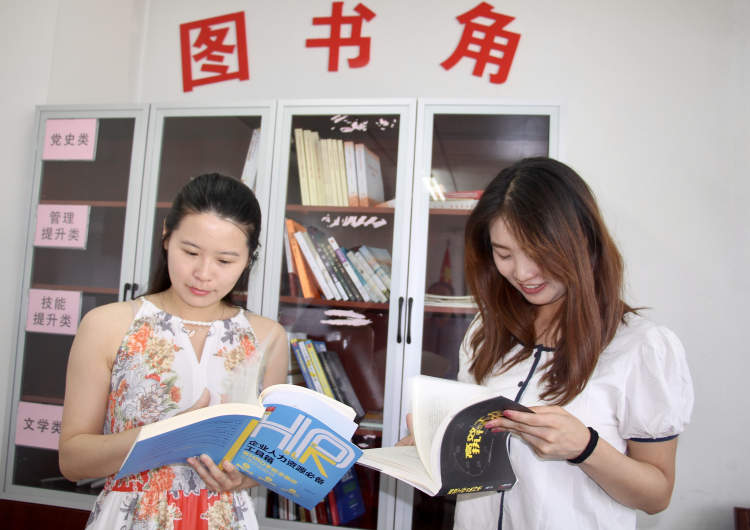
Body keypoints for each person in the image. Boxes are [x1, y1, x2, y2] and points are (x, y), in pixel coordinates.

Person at [398, 157, 694, 529]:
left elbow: (656, 496)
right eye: (504, 254)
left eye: (539, 254)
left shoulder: (641, 346)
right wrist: (436, 446)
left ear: (583, 241)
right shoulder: (485, 332)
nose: (522, 273)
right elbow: (477, 456)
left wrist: (585, 447)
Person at [59, 173, 288, 530]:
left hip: (226, 519)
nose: (203, 273)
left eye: (225, 261)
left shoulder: (267, 336)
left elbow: (267, 456)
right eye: (190, 252)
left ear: (248, 259)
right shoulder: (107, 325)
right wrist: (167, 434)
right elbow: (73, 461)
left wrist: (243, 478)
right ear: (167, 235)